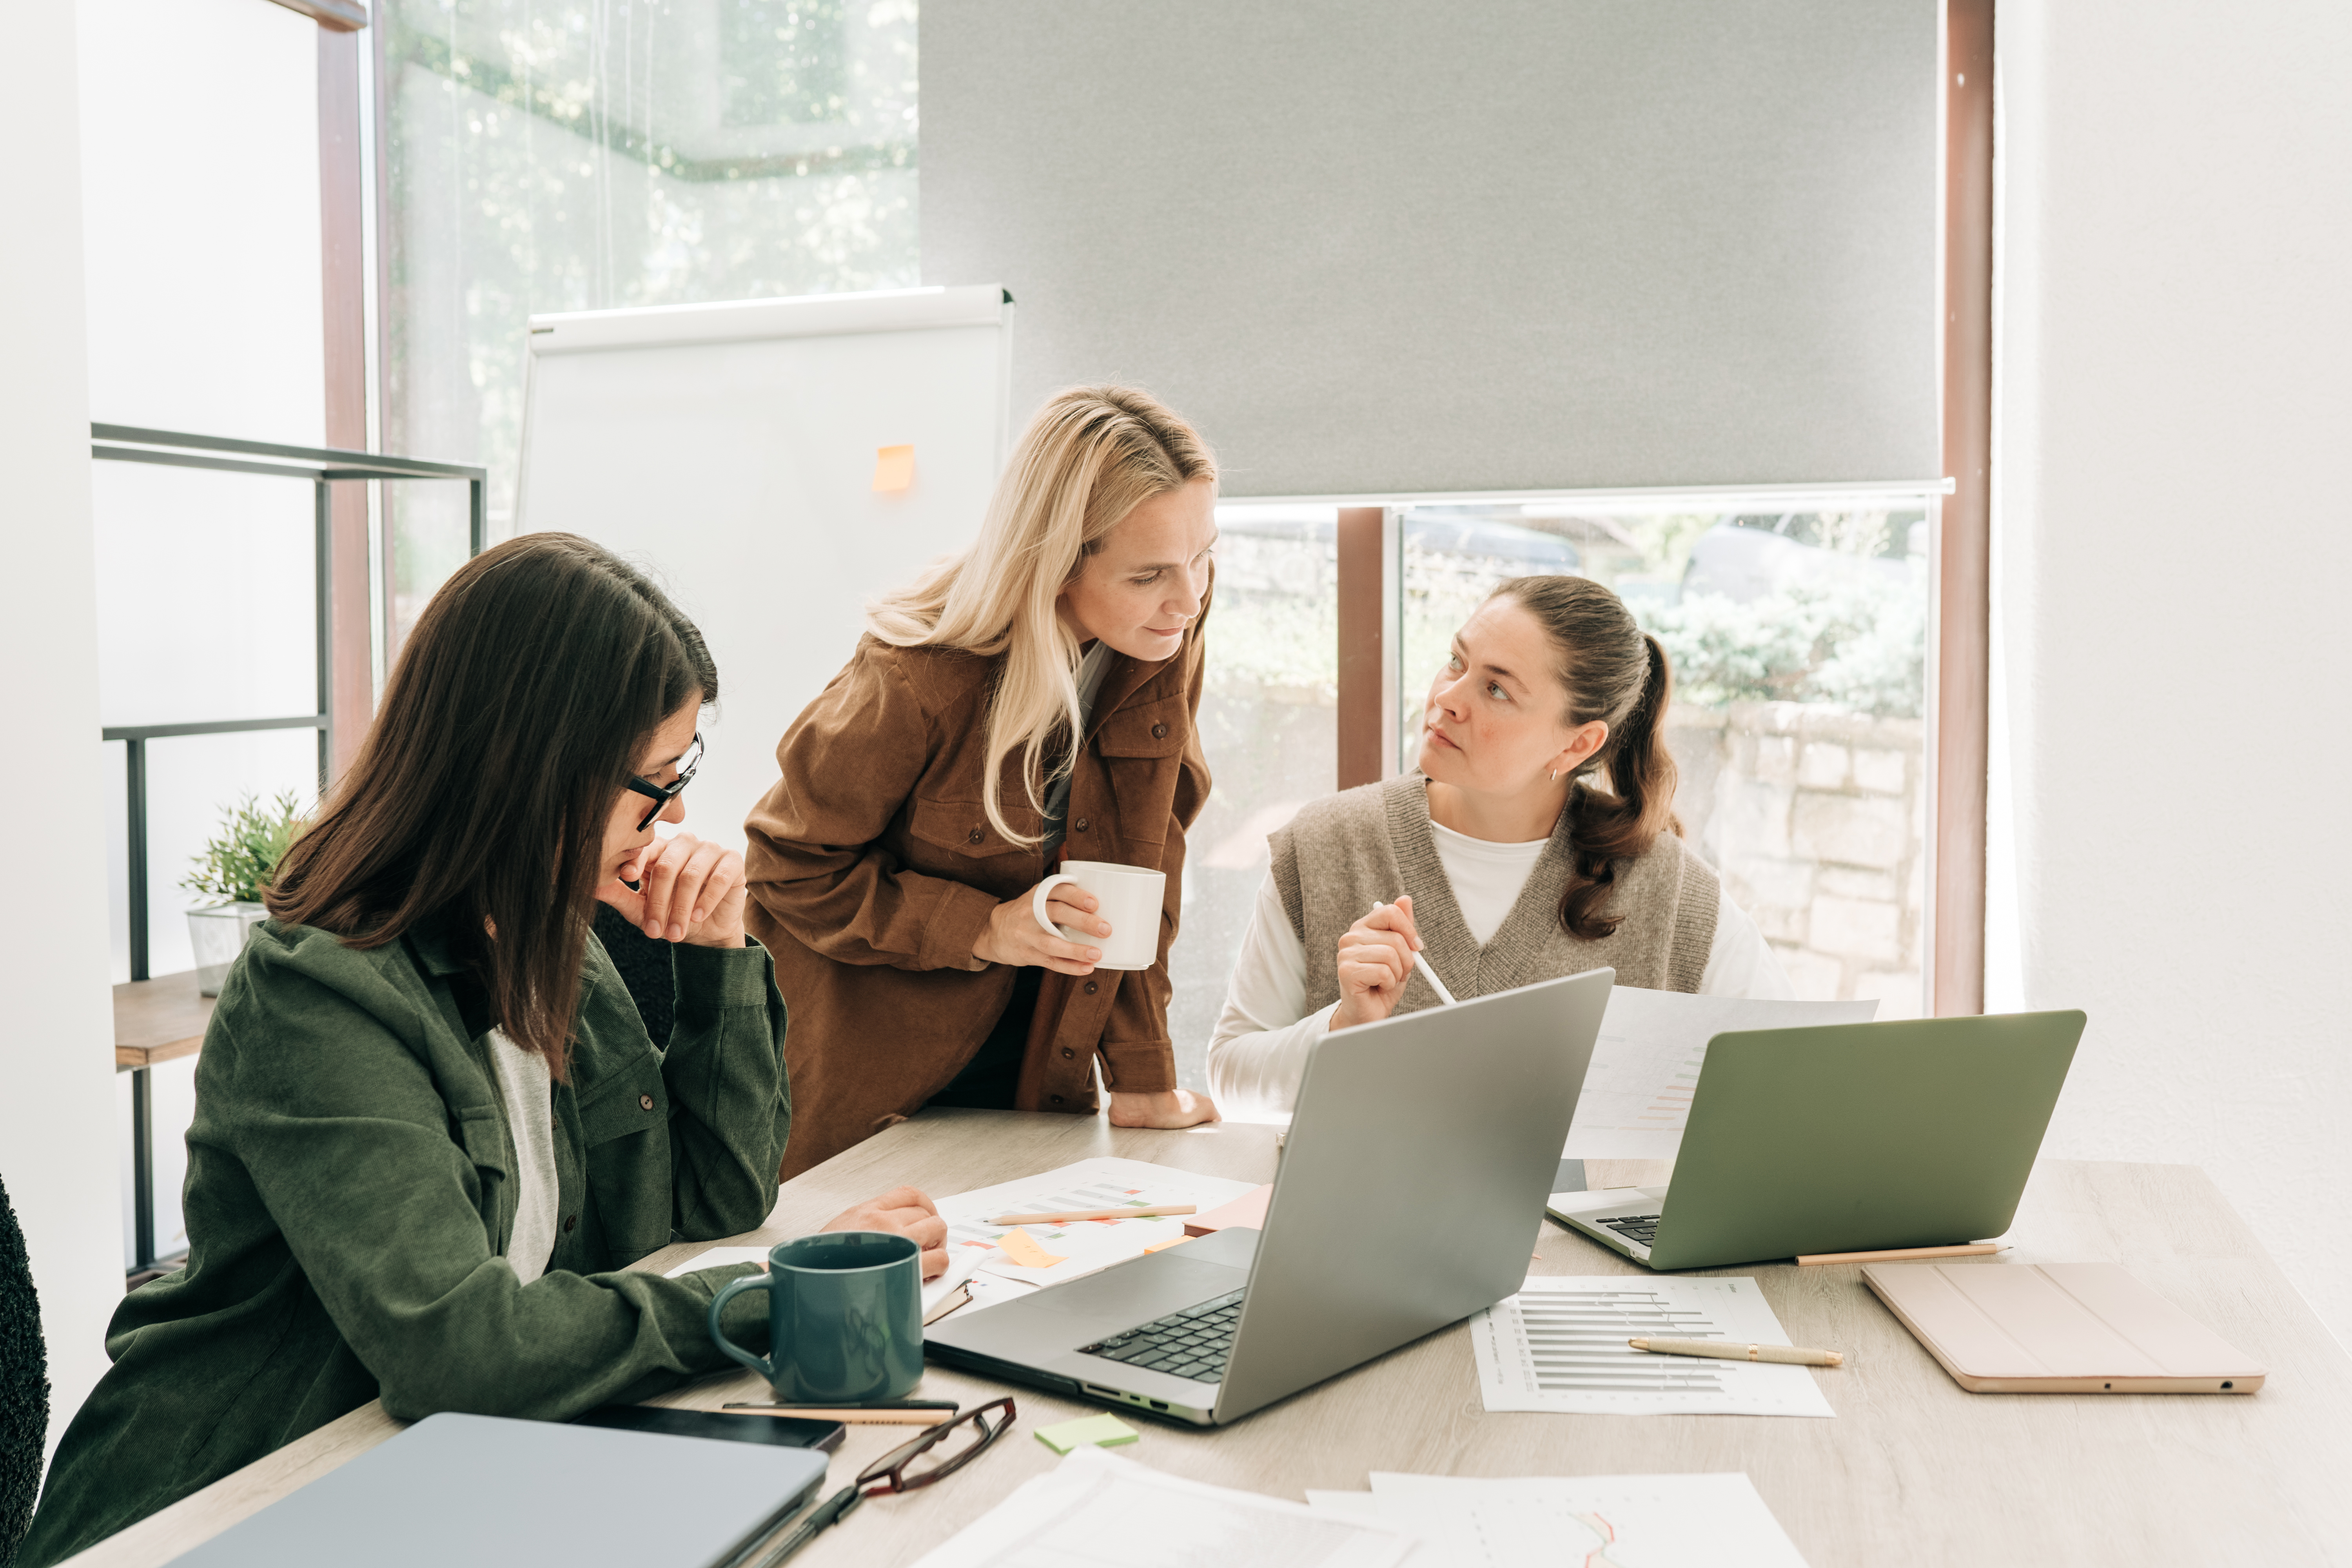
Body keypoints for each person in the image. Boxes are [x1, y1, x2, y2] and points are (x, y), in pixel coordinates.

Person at [18, 535, 946, 1567]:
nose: (678, 812)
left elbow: (717, 1196)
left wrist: (721, 951)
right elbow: (458, 1348)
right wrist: (773, 1295)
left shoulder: (553, 942)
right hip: (222, 1503)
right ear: (537, 775)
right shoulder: (320, 993)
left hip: (436, 1478)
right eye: (656, 779)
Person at [745, 386, 1222, 1177]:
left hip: (1036, 1080)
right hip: (874, 1098)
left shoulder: (1163, 631)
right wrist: (984, 927)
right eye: (1149, 575)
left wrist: (1142, 1076)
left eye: (1204, 554)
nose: (1191, 596)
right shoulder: (915, 677)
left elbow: (1143, 861)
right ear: (1057, 563)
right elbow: (785, 866)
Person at [1207, 574, 1793, 1119]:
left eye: (1496, 689)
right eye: (1455, 662)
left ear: (1577, 744)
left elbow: (1790, 1076)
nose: (1448, 698)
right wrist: (1342, 1028)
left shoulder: (1667, 888)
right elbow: (1230, 1079)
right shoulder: (1326, 844)